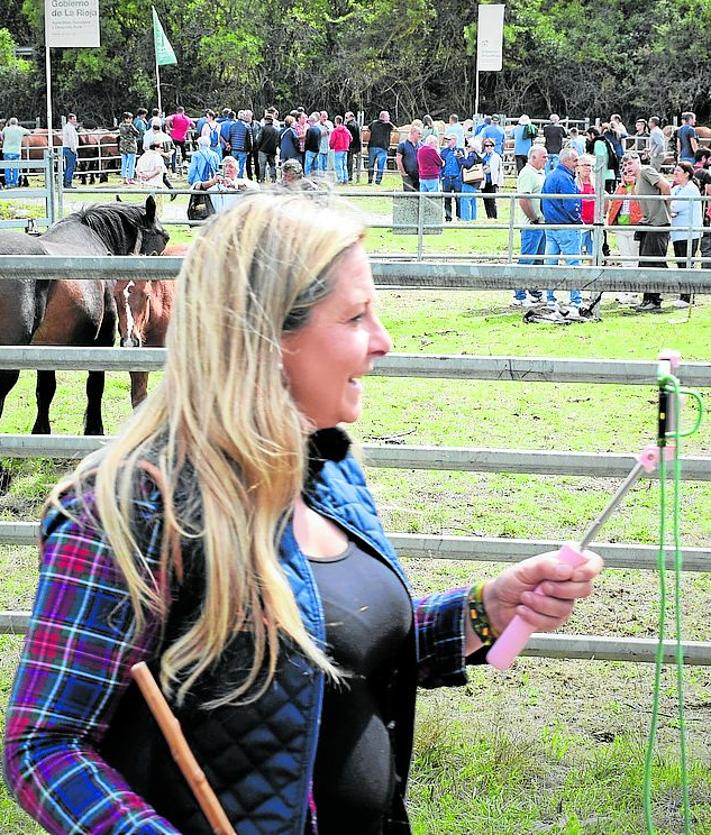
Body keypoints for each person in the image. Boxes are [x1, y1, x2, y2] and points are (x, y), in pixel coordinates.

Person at [3, 190, 602, 835]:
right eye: (355, 317)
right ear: (266, 334)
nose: (384, 342)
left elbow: (337, 654)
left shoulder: (326, 465)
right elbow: (44, 747)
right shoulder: (128, 505)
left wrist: (485, 612)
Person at [622, 152, 671, 312]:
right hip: (648, 223)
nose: (627, 168)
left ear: (637, 162)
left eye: (630, 163)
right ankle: (648, 298)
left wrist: (666, 207)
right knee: (645, 262)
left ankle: (655, 300)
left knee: (654, 262)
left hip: (658, 223)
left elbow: (665, 186)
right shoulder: (637, 179)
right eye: (625, 165)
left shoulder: (646, 171)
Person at [541, 147, 583, 309]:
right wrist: (577, 220)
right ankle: (575, 298)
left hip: (551, 225)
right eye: (575, 161)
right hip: (566, 226)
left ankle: (550, 296)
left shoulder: (550, 176)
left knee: (551, 262)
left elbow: (542, 201)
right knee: (573, 262)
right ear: (566, 161)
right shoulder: (565, 179)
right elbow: (570, 203)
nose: (577, 164)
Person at [512, 144, 549, 306]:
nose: (546, 160)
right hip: (531, 224)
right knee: (527, 258)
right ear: (533, 157)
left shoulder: (540, 173)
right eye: (544, 157)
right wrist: (533, 218)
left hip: (540, 222)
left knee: (538, 259)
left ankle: (535, 291)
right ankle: (519, 295)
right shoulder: (527, 173)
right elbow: (523, 199)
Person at [670, 160, 702, 308]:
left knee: (687, 263)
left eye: (678, 171)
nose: (675, 174)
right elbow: (670, 204)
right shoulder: (677, 189)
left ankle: (688, 296)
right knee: (680, 263)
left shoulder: (690, 189)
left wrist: (672, 209)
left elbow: (674, 206)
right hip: (678, 232)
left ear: (687, 174)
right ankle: (683, 294)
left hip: (689, 233)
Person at [575, 153, 598, 262]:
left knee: (594, 250)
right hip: (580, 221)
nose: (587, 168)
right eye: (584, 165)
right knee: (578, 248)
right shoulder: (574, 183)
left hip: (593, 221)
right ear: (578, 167)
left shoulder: (595, 183)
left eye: (589, 165)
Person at [585, 126, 617, 194]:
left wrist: (593, 169)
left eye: (588, 136)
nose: (588, 139)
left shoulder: (598, 143)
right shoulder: (605, 141)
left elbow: (600, 159)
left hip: (603, 175)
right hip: (609, 174)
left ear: (592, 135)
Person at [367, 110, 395, 185]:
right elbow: (395, 129)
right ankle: (378, 180)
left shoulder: (373, 123)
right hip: (383, 147)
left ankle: (370, 179)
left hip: (372, 146)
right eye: (388, 116)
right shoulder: (388, 125)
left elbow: (368, 128)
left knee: (371, 163)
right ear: (385, 117)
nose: (389, 118)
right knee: (381, 164)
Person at [458, 137, 483, 221]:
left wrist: (461, 158)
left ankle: (466, 219)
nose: (466, 148)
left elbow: (468, 165)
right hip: (475, 181)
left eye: (468, 146)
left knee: (465, 200)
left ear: (473, 147)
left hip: (469, 181)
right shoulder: (477, 156)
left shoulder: (472, 155)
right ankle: (473, 218)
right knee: (472, 200)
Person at [0, 117, 30, 188]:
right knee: (16, 168)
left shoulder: (6, 129)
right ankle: (15, 182)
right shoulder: (20, 129)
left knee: (7, 168)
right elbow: (28, 133)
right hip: (16, 151)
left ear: (9, 123)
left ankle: (8, 183)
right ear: (17, 123)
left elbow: (2, 135)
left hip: (7, 151)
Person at [165, 106, 194, 174]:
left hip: (174, 137)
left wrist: (169, 128)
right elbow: (193, 125)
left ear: (177, 111)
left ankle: (173, 169)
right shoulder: (187, 118)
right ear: (183, 111)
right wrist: (187, 127)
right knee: (183, 149)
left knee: (173, 152)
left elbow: (167, 119)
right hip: (182, 138)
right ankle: (184, 161)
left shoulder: (175, 116)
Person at [480, 137, 504, 220]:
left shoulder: (496, 157)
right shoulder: (482, 156)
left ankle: (494, 216)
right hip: (484, 181)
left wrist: (499, 182)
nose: (489, 147)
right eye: (487, 145)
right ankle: (489, 216)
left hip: (492, 181)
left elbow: (499, 170)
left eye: (491, 145)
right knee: (485, 200)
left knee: (492, 201)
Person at [440, 134, 463, 221]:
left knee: (458, 199)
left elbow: (462, 163)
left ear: (454, 140)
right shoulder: (444, 152)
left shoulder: (460, 151)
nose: (447, 142)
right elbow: (440, 164)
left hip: (456, 178)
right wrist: (441, 175)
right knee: (447, 199)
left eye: (449, 140)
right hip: (446, 178)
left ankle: (459, 216)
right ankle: (448, 217)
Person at [395, 125, 422, 192]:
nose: (420, 136)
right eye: (418, 134)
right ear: (413, 133)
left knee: (418, 193)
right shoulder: (402, 145)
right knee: (408, 193)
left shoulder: (421, 145)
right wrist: (403, 172)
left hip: (419, 174)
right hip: (408, 174)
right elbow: (398, 160)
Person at [118, 111, 140, 185]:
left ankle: (124, 178)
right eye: (129, 118)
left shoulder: (120, 125)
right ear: (126, 119)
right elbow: (137, 133)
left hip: (123, 146)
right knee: (131, 163)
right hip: (131, 146)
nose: (131, 120)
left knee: (124, 163)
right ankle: (130, 178)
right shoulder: (130, 126)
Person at [257, 112, 279, 183]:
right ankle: (273, 178)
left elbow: (259, 139)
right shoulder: (276, 130)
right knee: (272, 165)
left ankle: (262, 179)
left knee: (262, 166)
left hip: (263, 150)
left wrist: (258, 147)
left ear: (266, 120)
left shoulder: (263, 129)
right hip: (272, 150)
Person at [329, 115, 351, 185]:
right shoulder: (346, 130)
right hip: (345, 149)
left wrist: (331, 146)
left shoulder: (335, 131)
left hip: (338, 149)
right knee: (344, 165)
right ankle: (345, 178)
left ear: (336, 122)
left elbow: (332, 141)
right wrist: (346, 143)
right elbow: (351, 138)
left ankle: (340, 179)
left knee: (338, 165)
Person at [62, 112, 79, 189]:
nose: (75, 121)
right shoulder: (70, 128)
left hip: (66, 148)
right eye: (74, 119)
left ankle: (66, 182)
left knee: (68, 166)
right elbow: (71, 139)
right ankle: (68, 182)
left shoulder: (67, 127)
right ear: (70, 119)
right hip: (70, 148)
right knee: (71, 166)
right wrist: (74, 149)